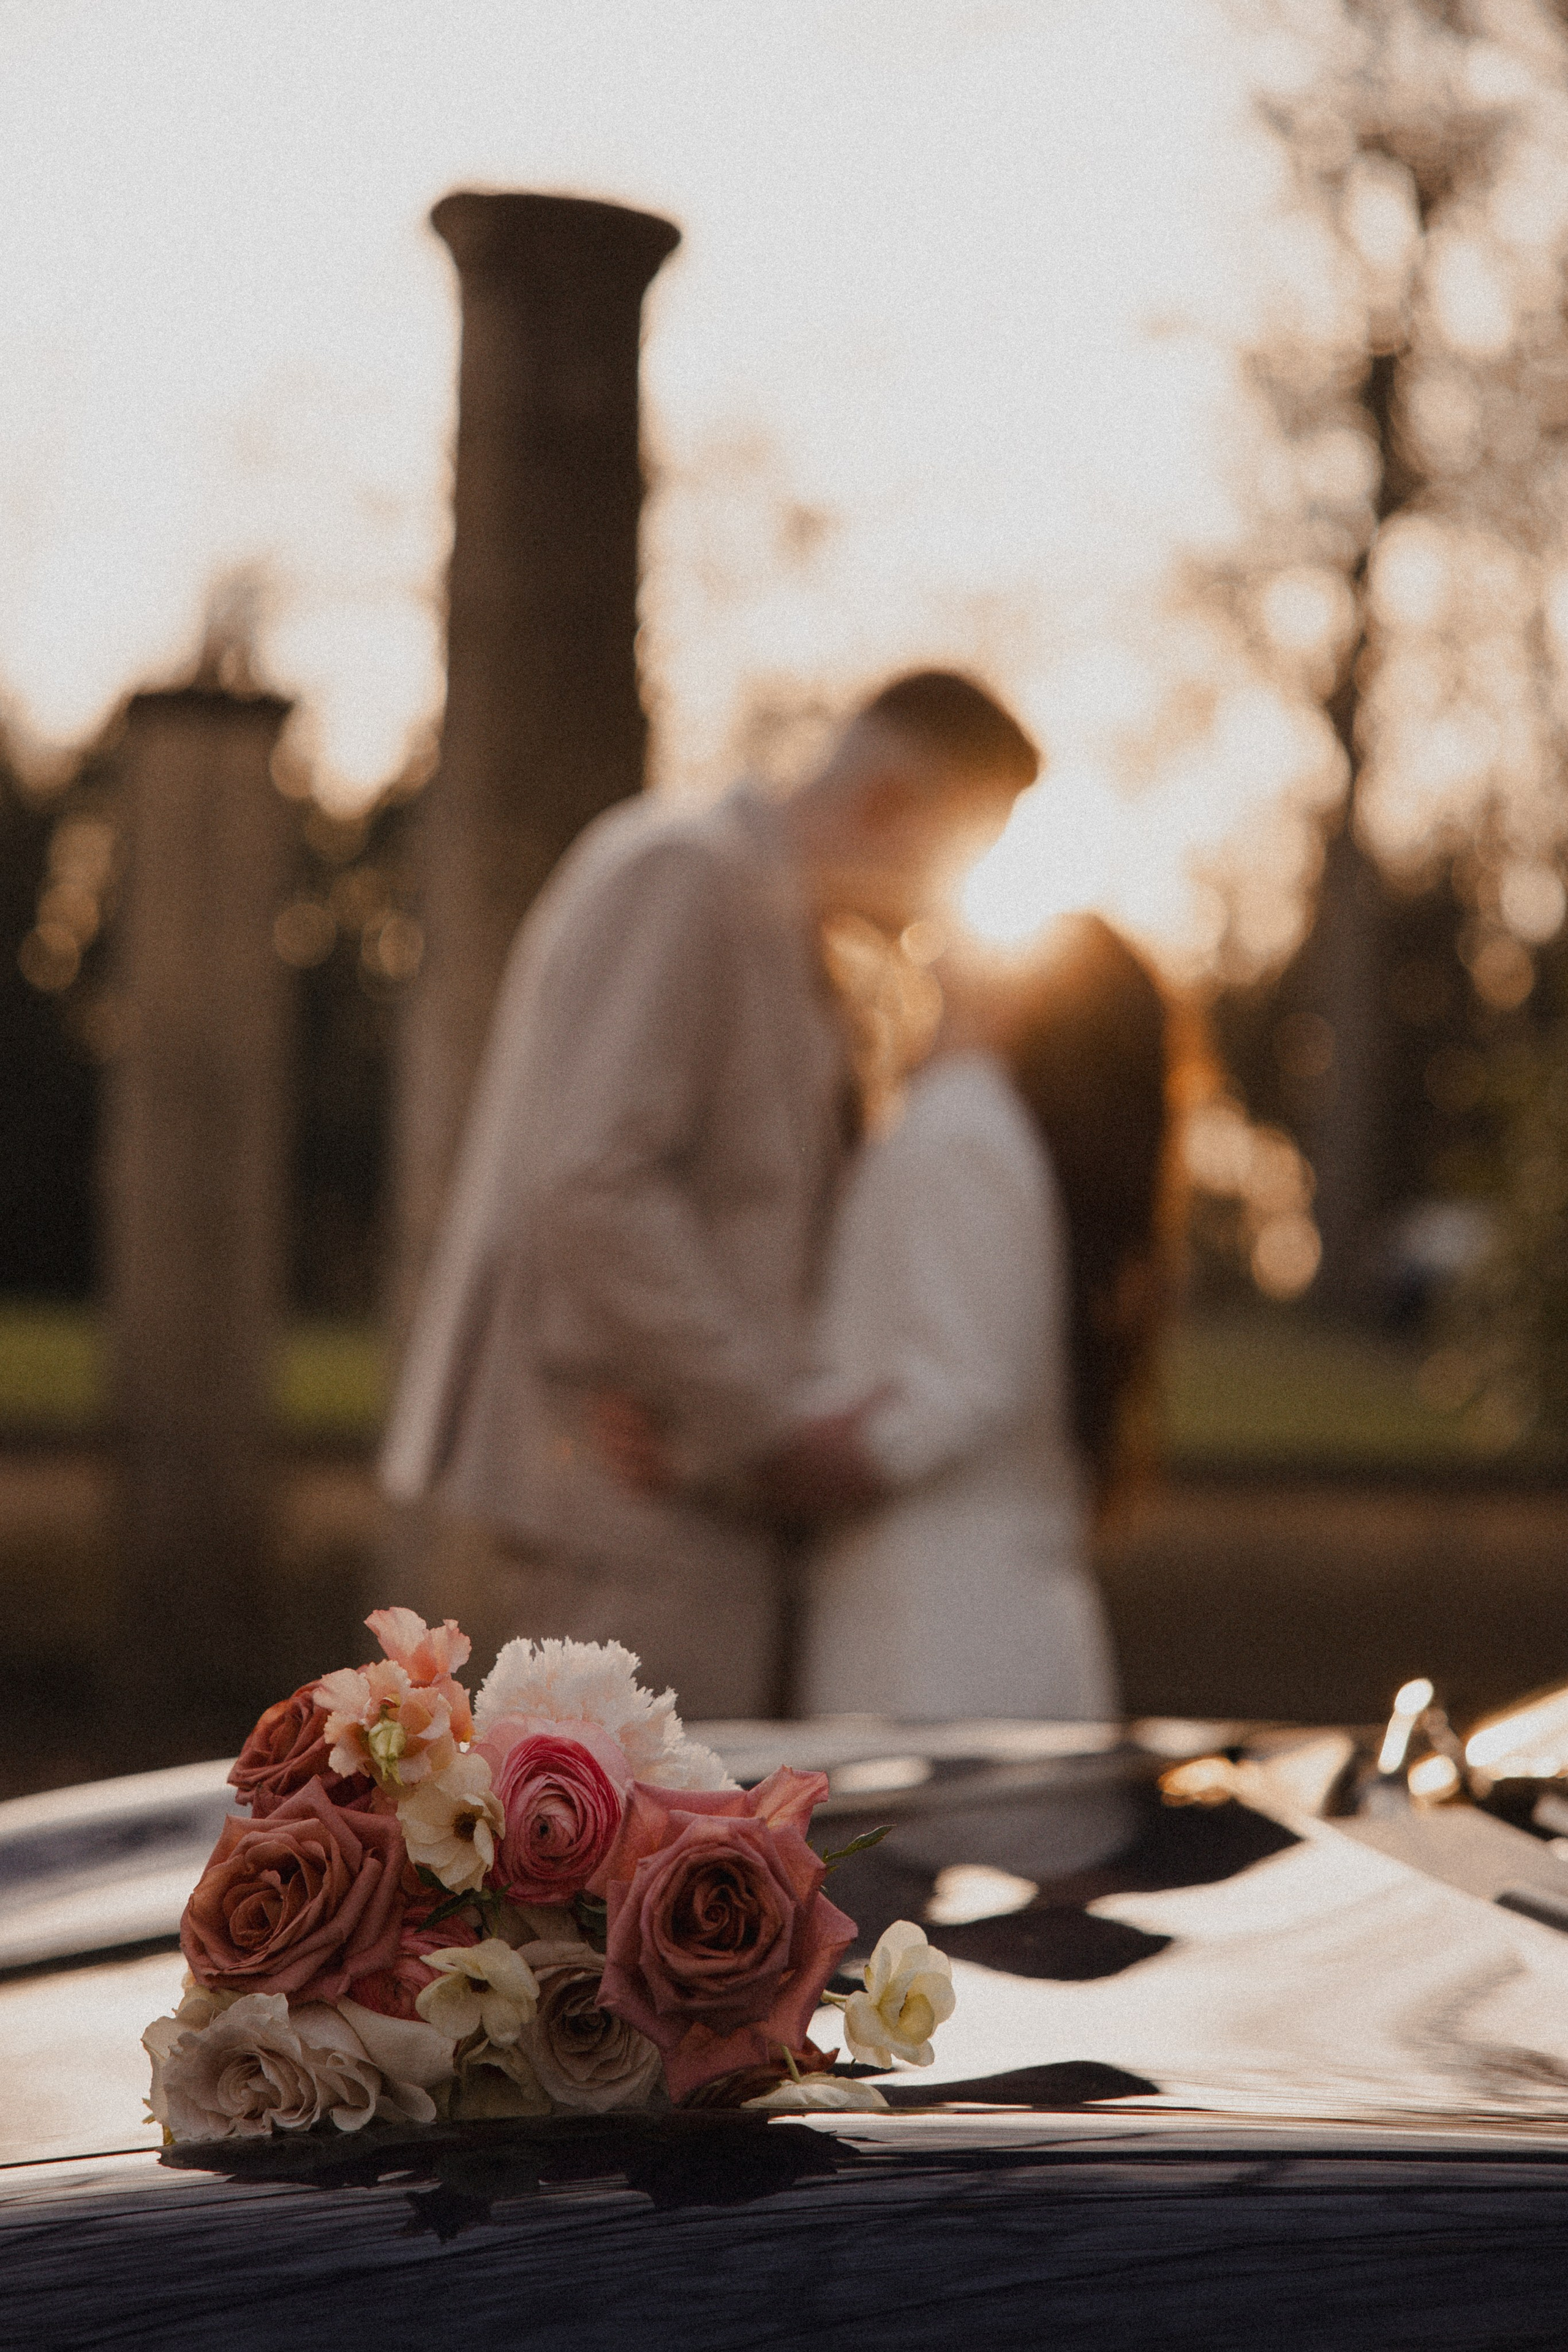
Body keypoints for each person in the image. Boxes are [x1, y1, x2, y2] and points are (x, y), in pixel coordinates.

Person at [379, 670, 1039, 1717]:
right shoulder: (683, 875)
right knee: (629, 1868)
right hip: (625, 1511)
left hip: (683, 1492)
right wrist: (769, 1433)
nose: (934, 920)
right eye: (952, 867)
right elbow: (597, 1181)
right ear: (886, 807)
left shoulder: (771, 918)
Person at [796, 914, 1172, 1725]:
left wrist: (741, 1453)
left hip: (936, 1656)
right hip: (973, 1639)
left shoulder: (959, 1127)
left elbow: (953, 1391)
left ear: (1020, 1003)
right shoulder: (981, 1125)